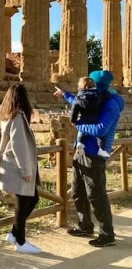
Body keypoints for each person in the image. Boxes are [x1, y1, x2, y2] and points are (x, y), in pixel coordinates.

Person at [54, 70, 124, 247]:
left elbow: (101, 129)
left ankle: (107, 234)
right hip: (81, 151)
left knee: (96, 195)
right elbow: (79, 101)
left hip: (94, 154)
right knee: (78, 192)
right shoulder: (95, 98)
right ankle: (85, 225)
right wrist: (65, 95)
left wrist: (79, 124)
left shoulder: (110, 104)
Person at [0, 83, 41, 254]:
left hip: (12, 164)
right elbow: (18, 145)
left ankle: (14, 234)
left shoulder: (8, 115)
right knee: (23, 203)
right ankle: (20, 242)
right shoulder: (17, 117)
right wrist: (26, 171)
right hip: (18, 166)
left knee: (31, 199)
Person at [70, 76, 109, 158]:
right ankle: (101, 149)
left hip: (84, 118)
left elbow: (74, 109)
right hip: (95, 118)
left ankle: (79, 143)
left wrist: (73, 120)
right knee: (100, 135)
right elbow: (106, 95)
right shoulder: (98, 93)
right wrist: (109, 94)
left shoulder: (78, 97)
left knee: (81, 131)